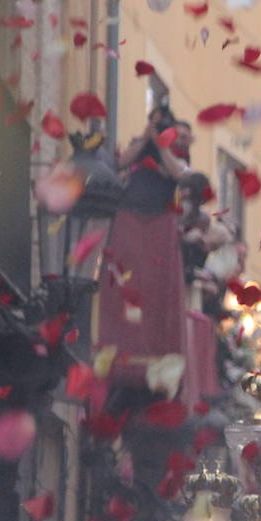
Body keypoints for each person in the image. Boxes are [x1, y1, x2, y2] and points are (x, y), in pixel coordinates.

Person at [94, 104, 195, 386]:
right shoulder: (141, 144)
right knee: (126, 277)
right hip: (131, 214)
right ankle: (118, 346)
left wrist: (162, 146)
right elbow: (122, 162)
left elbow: (178, 173)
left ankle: (156, 350)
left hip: (159, 221)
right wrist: (145, 137)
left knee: (155, 283)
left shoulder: (178, 152)